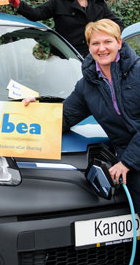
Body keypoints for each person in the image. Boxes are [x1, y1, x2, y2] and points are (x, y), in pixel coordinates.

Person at [24, 19, 140, 214]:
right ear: (89, 47)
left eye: (107, 42)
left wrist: (127, 162)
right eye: (95, 43)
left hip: (130, 161)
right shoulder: (87, 85)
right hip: (130, 166)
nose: (101, 48)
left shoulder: (137, 72)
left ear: (119, 43)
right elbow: (64, 117)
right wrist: (37, 112)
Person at [4, 0, 124, 57]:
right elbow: (37, 14)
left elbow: (118, 25)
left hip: (93, 58)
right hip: (66, 58)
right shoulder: (58, 1)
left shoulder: (98, 2)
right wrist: (18, 4)